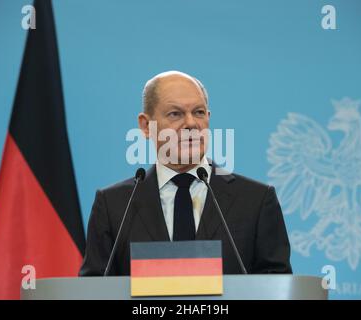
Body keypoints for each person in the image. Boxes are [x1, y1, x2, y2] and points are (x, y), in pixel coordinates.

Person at [79, 71, 292, 276]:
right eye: (175, 114)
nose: (191, 123)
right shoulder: (113, 205)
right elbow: (94, 289)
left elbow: (276, 285)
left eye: (199, 112)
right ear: (145, 126)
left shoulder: (256, 201)